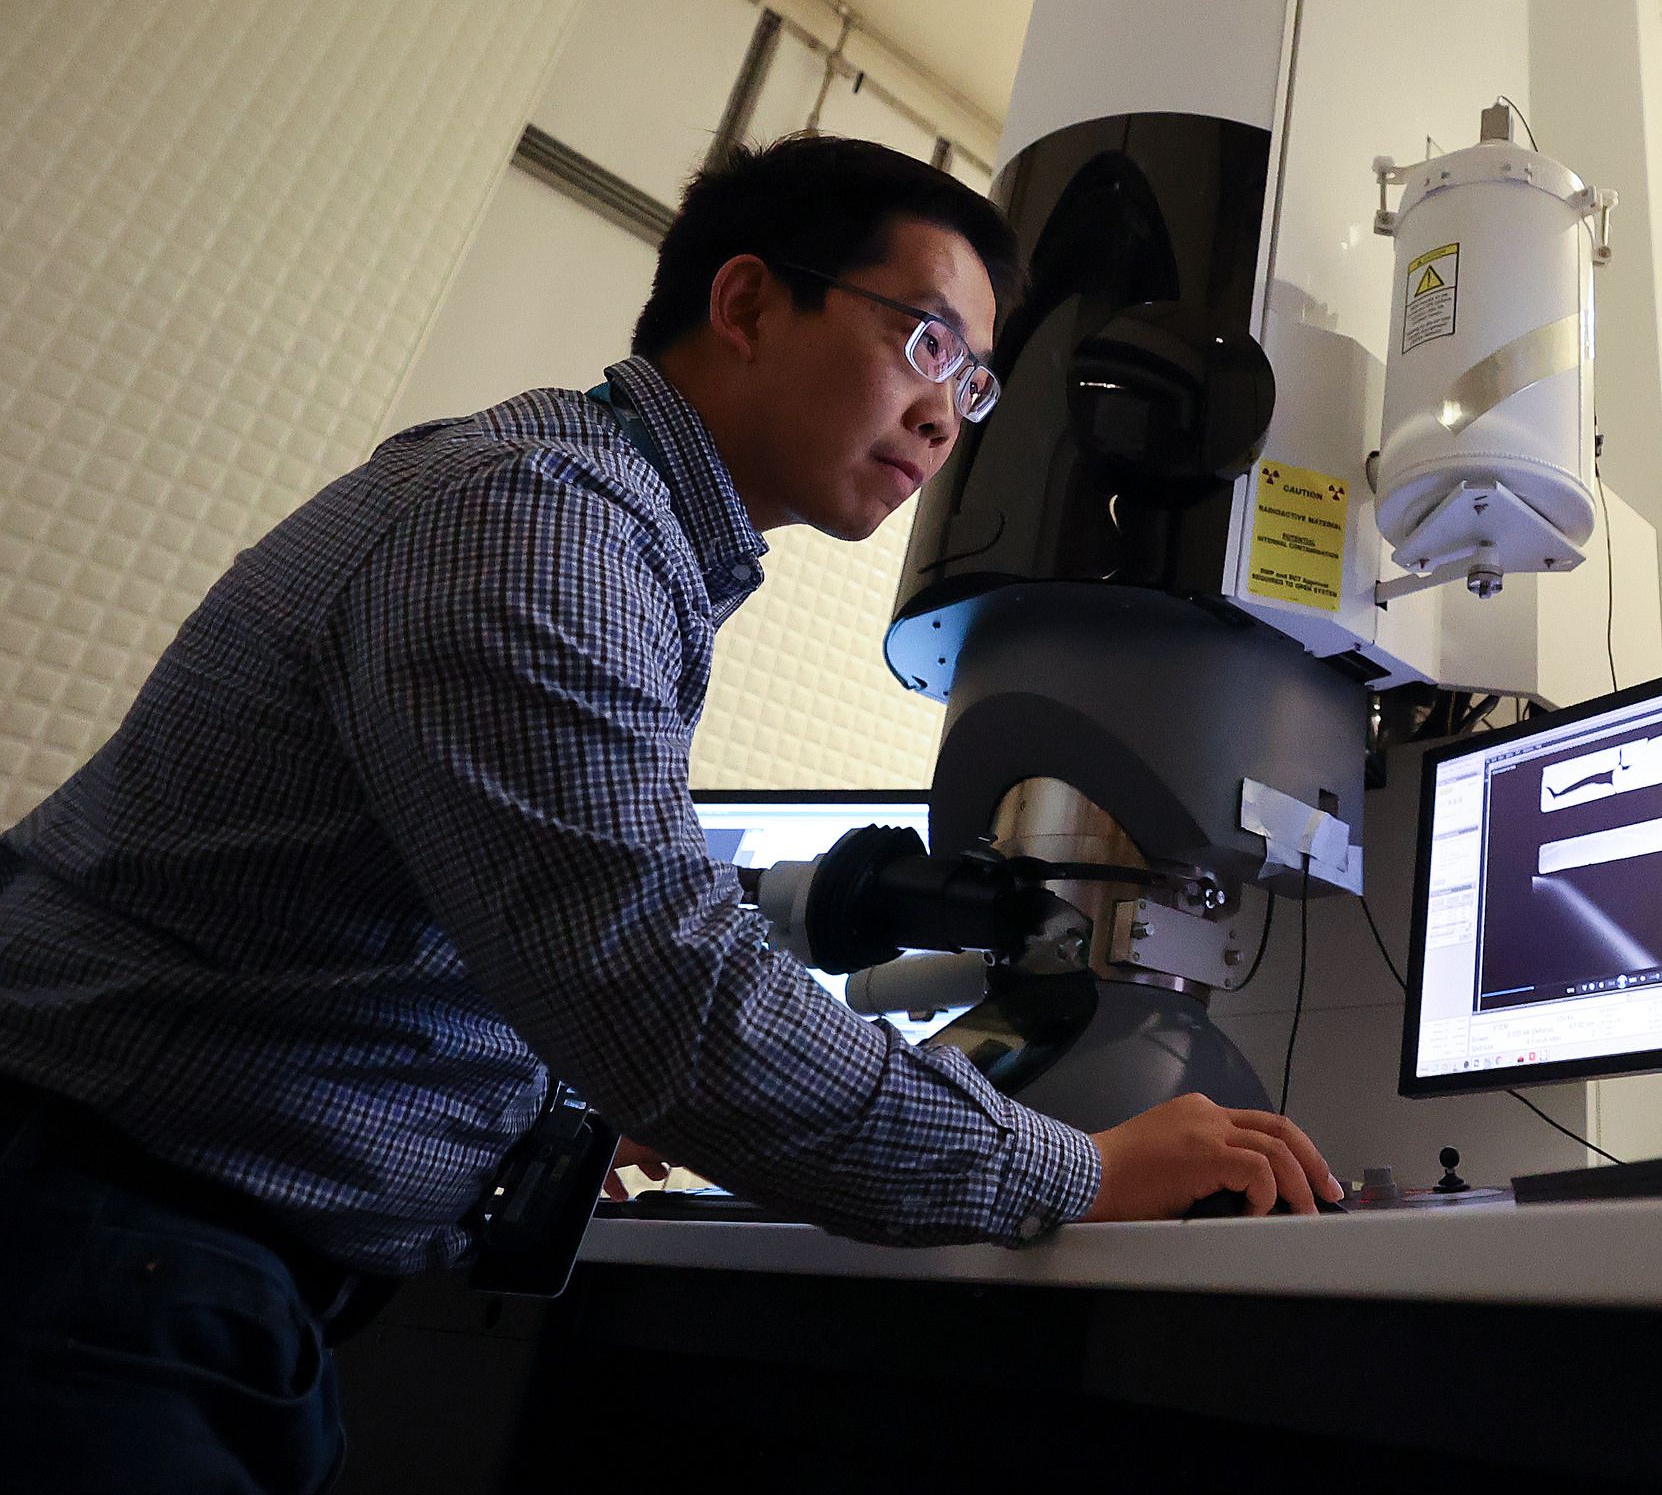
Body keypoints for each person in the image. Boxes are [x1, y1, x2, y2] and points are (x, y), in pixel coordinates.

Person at [0, 135, 1339, 1493]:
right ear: (748, 302)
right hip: (94, 1254)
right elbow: (661, 990)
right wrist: (1070, 1169)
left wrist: (552, 1105)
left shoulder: (597, 522)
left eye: (978, 379)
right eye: (929, 340)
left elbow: (478, 930)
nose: (949, 420)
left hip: (150, 1250)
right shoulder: (539, 524)